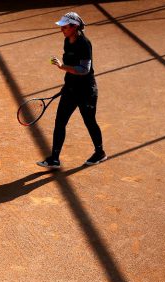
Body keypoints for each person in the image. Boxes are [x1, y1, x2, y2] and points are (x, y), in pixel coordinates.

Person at [37, 12, 107, 169]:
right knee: (60, 121)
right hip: (71, 89)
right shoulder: (67, 41)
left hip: (86, 91)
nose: (61, 28)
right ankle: (54, 158)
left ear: (74, 27)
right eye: (61, 26)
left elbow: (84, 70)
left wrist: (62, 67)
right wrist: (67, 84)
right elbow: (71, 68)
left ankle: (100, 153)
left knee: (89, 121)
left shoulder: (84, 44)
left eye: (65, 26)